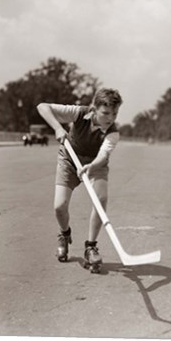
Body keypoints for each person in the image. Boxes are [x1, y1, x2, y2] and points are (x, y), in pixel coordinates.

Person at [37, 88, 123, 273]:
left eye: (114, 113)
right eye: (106, 113)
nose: (110, 118)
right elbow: (42, 107)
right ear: (94, 109)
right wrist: (58, 127)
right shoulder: (78, 113)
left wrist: (91, 167)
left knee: (101, 200)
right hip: (69, 159)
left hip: (95, 164)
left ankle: (90, 247)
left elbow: (103, 155)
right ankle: (64, 234)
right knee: (59, 206)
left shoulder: (113, 133)